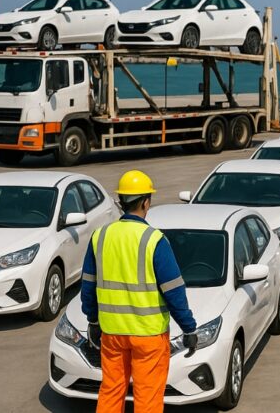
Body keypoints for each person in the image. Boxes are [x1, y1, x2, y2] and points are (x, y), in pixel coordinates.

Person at [81, 170, 197, 413]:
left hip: (112, 333)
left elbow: (88, 286)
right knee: (147, 397)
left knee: (111, 390)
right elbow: (174, 291)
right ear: (146, 201)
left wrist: (92, 320)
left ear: (120, 201)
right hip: (149, 336)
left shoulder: (100, 237)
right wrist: (188, 327)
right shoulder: (154, 240)